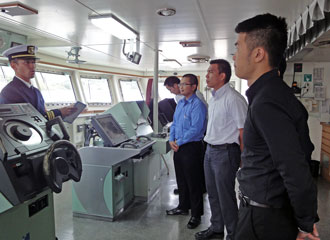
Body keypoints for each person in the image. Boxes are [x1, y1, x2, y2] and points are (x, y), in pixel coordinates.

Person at [233, 13, 319, 240]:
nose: (234, 56)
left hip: (263, 220)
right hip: (266, 211)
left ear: (258, 53)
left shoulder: (267, 102)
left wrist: (305, 222)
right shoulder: (273, 95)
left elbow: (294, 167)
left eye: (238, 47)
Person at [195, 59, 247, 240]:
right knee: (213, 194)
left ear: (222, 76)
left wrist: (243, 156)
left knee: (226, 197)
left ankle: (233, 234)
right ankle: (217, 227)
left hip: (226, 152)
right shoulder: (214, 97)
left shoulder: (234, 99)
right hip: (210, 151)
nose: (207, 75)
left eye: (210, 72)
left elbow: (243, 131)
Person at [166, 73, 207, 230]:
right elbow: (175, 123)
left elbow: (196, 129)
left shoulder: (198, 105)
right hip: (178, 146)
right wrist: (171, 139)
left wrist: (178, 141)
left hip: (191, 147)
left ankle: (196, 215)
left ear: (194, 87)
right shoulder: (181, 104)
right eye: (180, 84)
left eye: (184, 84)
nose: (181, 86)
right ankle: (183, 207)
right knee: (181, 179)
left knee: (194, 182)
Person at [0, 45, 75, 120]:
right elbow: (27, 120)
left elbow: (42, 114)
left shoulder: (36, 91)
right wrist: (59, 112)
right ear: (13, 65)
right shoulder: (9, 92)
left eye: (33, 62)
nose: (32, 66)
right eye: (27, 62)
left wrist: (65, 111)